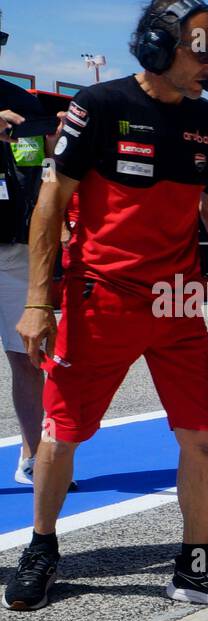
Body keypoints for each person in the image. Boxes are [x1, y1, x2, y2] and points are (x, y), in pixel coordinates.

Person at [5, 0, 208, 612]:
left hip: (178, 305)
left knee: (201, 437)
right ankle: (42, 547)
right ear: (155, 47)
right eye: (201, 50)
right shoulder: (99, 108)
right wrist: (40, 301)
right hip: (100, 300)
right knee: (62, 433)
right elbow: (50, 204)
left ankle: (194, 567)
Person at [0, 36, 57, 487]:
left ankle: (33, 454)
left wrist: (54, 144)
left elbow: (38, 168)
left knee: (28, 357)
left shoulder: (22, 102)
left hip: (14, 249)